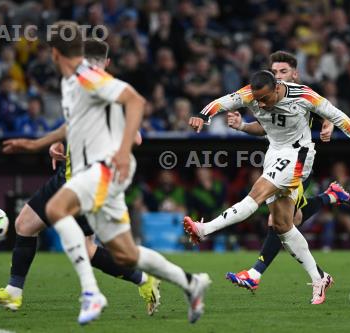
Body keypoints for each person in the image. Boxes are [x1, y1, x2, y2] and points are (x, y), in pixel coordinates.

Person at [0, 39, 161, 316]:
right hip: (66, 176)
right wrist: (59, 145)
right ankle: (13, 293)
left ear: (105, 64)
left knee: (86, 249)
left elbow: (136, 136)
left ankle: (144, 279)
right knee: (25, 224)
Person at [44, 21, 210, 325]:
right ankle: (191, 283)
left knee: (55, 210)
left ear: (55, 53)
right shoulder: (73, 83)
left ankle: (91, 293)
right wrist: (44, 143)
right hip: (94, 172)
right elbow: (78, 126)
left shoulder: (94, 82)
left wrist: (119, 150)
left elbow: (136, 127)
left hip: (103, 170)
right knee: (126, 255)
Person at [185, 68, 350, 304]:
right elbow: (222, 102)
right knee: (282, 224)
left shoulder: (304, 95)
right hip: (274, 153)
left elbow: (339, 116)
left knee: (256, 194)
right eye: (258, 100)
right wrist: (202, 115)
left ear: (277, 87)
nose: (262, 105)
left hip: (299, 155)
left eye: (266, 98)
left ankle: (204, 230)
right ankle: (319, 277)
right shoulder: (249, 94)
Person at [223, 51, 350, 291]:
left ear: (295, 73)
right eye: (274, 72)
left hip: (300, 161)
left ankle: (255, 273)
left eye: (283, 71)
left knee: (279, 221)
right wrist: (241, 125)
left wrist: (328, 126)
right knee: (293, 219)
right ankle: (331, 196)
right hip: (278, 158)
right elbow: (263, 128)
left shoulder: (304, 94)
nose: (278, 76)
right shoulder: (270, 96)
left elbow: (330, 114)